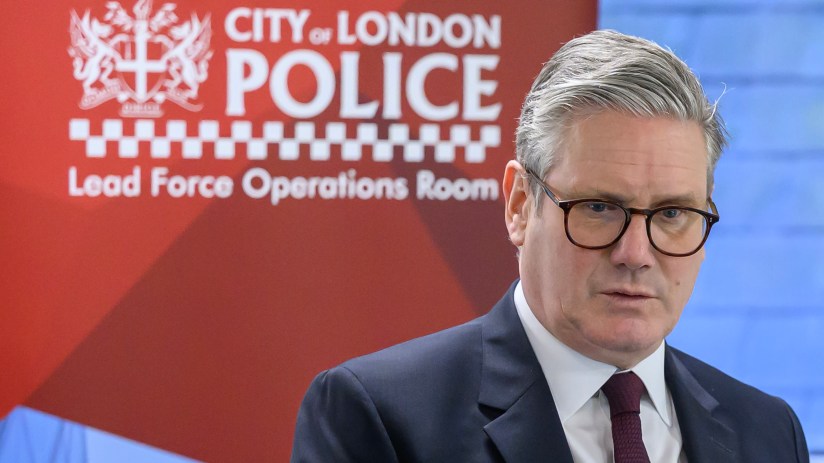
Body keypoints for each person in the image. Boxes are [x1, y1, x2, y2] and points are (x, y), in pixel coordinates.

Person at [291, 30, 810, 462]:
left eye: (673, 214)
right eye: (599, 207)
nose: (635, 254)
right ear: (520, 204)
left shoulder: (768, 434)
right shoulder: (378, 417)